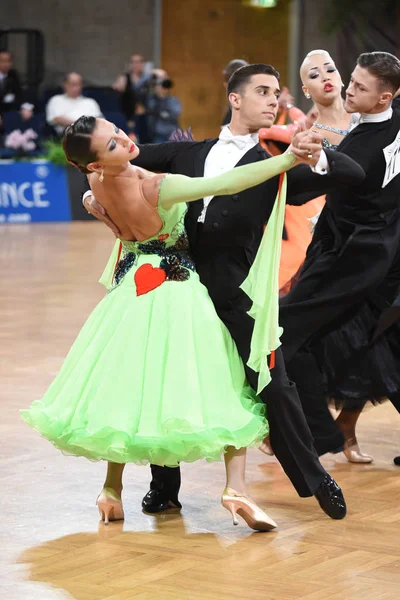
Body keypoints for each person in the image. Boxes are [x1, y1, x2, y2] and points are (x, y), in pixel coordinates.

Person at [84, 64, 366, 520]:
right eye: (262, 91)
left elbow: (350, 176)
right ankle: (165, 488)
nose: (273, 99)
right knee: (165, 381)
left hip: (236, 296)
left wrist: (319, 152)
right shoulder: (187, 154)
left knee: (273, 383)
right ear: (235, 99)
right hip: (176, 290)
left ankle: (315, 477)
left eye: (277, 93)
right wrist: (92, 195)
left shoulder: (277, 166)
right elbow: (111, 161)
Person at [20, 115, 321, 531]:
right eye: (111, 145)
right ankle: (235, 489)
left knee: (125, 388)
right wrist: (286, 159)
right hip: (177, 292)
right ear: (93, 164)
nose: (125, 142)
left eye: (118, 132)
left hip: (130, 294)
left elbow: (114, 214)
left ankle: (111, 490)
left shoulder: (96, 185)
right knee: (222, 383)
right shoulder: (154, 187)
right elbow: (228, 184)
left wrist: (95, 204)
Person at [279, 51, 400, 461]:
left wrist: (314, 158)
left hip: (354, 255)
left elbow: (346, 171)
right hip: (375, 251)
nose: (347, 87)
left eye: (360, 87)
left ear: (384, 98)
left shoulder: (361, 148)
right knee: (381, 343)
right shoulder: (389, 113)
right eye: (350, 77)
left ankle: (317, 433)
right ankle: (331, 430)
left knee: (287, 330)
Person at [295, 49, 374, 464]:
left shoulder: (370, 117)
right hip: (336, 239)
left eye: (330, 68)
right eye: (314, 73)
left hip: (379, 238)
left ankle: (348, 425)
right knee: (327, 339)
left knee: (377, 338)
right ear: (305, 89)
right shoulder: (308, 132)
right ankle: (301, 423)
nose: (325, 76)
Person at [45, 72, 102, 137]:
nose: (77, 88)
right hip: (66, 136)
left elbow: (99, 120)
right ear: (65, 85)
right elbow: (57, 119)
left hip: (91, 135)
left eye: (79, 84)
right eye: (74, 84)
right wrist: (81, 126)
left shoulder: (90, 102)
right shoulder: (56, 100)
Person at [147, 76, 181, 142]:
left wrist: (161, 113)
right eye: (159, 86)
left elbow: (175, 114)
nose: (162, 88)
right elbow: (151, 110)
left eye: (163, 86)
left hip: (172, 134)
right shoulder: (151, 100)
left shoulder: (173, 100)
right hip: (158, 135)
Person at [0, 49, 22, 116]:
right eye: (2, 61)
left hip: (9, 113)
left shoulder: (13, 75)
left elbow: (19, 95)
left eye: (8, 61)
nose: (5, 64)